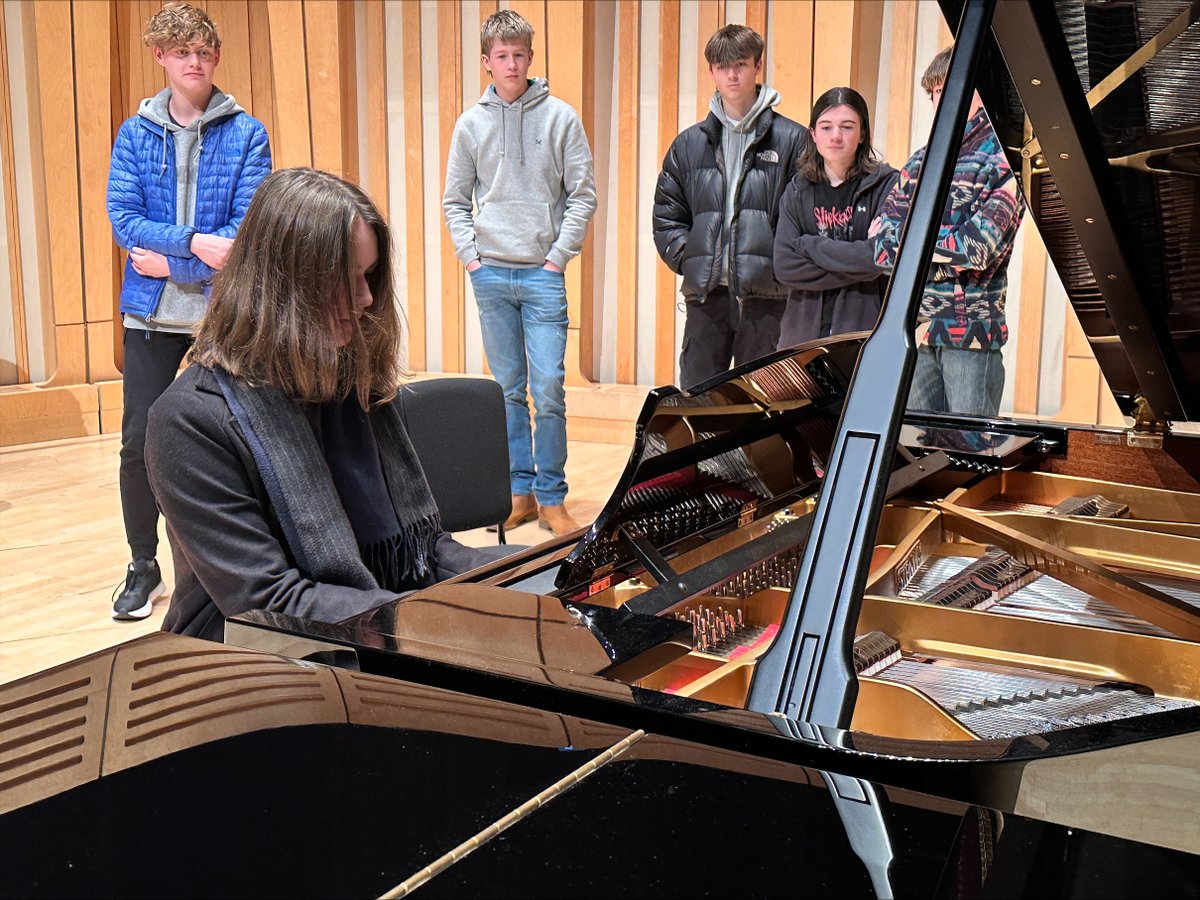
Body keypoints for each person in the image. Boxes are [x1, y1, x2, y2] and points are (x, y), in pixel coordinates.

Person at [146, 168, 495, 643]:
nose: (367, 299)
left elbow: (423, 552)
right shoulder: (189, 422)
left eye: (369, 275)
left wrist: (532, 573)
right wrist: (434, 621)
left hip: (368, 620)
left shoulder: (350, 378)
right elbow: (271, 603)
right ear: (283, 287)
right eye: (347, 279)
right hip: (248, 659)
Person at [107, 2, 271, 620]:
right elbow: (125, 219)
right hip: (150, 314)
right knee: (136, 445)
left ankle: (236, 565)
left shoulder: (246, 132)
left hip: (221, 316)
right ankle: (142, 564)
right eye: (182, 53)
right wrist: (197, 246)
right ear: (161, 57)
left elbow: (245, 232)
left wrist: (175, 259)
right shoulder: (134, 132)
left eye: (203, 52)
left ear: (216, 56)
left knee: (240, 440)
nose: (194, 63)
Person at [442, 10, 597, 538]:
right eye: (501, 56)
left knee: (549, 387)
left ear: (531, 57)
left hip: (542, 275)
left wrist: (557, 258)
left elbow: (583, 195)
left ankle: (553, 496)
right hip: (490, 276)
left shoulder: (561, 118)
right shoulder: (471, 124)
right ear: (486, 63)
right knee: (508, 390)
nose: (511, 64)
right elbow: (454, 201)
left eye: (519, 54)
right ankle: (519, 493)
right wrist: (473, 259)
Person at [871, 46, 1024, 417]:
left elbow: (978, 249)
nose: (941, 99)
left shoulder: (1004, 159)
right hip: (917, 331)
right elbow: (879, 249)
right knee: (919, 452)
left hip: (971, 336)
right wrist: (942, 252)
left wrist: (912, 251)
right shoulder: (921, 160)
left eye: (950, 88)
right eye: (934, 92)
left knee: (968, 452)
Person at [652, 24, 806, 390]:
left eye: (740, 64)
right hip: (708, 299)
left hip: (768, 300)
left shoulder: (794, 140)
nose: (732, 74)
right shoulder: (688, 144)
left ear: (758, 66)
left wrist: (778, 268)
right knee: (700, 406)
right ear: (711, 72)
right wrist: (692, 259)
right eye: (723, 66)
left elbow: (803, 219)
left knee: (765, 408)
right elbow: (667, 215)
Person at [773, 87, 899, 346]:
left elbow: (884, 258)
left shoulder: (887, 185)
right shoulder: (797, 189)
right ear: (813, 134)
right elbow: (785, 266)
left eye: (847, 127)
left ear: (862, 133)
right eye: (826, 127)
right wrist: (863, 260)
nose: (836, 136)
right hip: (800, 339)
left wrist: (809, 245)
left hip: (863, 336)